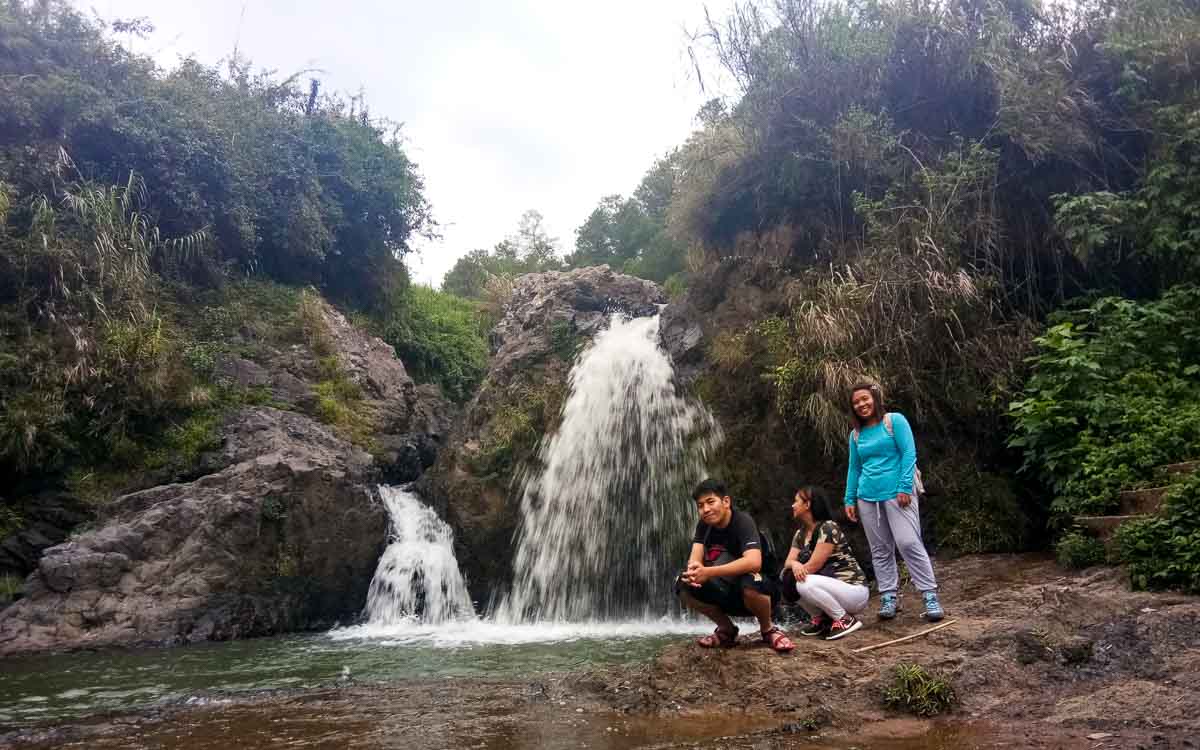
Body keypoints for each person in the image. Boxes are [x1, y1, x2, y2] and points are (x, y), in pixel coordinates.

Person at [843, 382, 944, 621]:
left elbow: (909, 453)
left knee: (908, 542)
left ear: (874, 399)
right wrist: (849, 498)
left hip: (898, 493)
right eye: (856, 402)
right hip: (867, 496)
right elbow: (854, 468)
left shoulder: (894, 421)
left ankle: (929, 594)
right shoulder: (856, 435)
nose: (861, 405)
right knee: (879, 549)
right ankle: (889, 595)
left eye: (865, 399)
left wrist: (903, 486)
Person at [676, 478, 795, 653]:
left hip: (763, 592)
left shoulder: (742, 521)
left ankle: (768, 629)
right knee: (683, 583)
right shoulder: (704, 525)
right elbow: (695, 558)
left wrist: (708, 571)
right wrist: (694, 572)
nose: (705, 509)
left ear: (726, 502)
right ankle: (727, 629)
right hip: (728, 592)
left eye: (710, 502)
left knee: (750, 580)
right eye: (700, 506)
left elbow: (754, 562)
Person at [781, 486, 869, 640]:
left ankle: (844, 619)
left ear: (807, 505)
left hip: (854, 591)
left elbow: (815, 565)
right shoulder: (800, 534)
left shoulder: (828, 527)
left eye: (796, 501)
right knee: (786, 577)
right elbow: (789, 561)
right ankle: (822, 620)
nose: (792, 505)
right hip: (831, 589)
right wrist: (795, 565)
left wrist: (796, 571)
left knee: (802, 581)